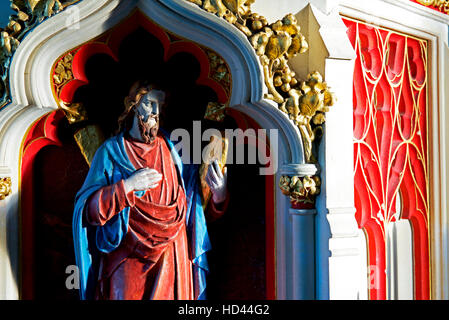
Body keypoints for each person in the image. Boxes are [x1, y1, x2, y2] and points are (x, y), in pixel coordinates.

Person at [73, 82, 229, 300]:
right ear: (133, 106)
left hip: (172, 254)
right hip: (127, 256)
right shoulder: (110, 152)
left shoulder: (175, 152)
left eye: (160, 106)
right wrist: (127, 187)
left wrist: (219, 196)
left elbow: (196, 212)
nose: (156, 112)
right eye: (150, 104)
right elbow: (87, 212)